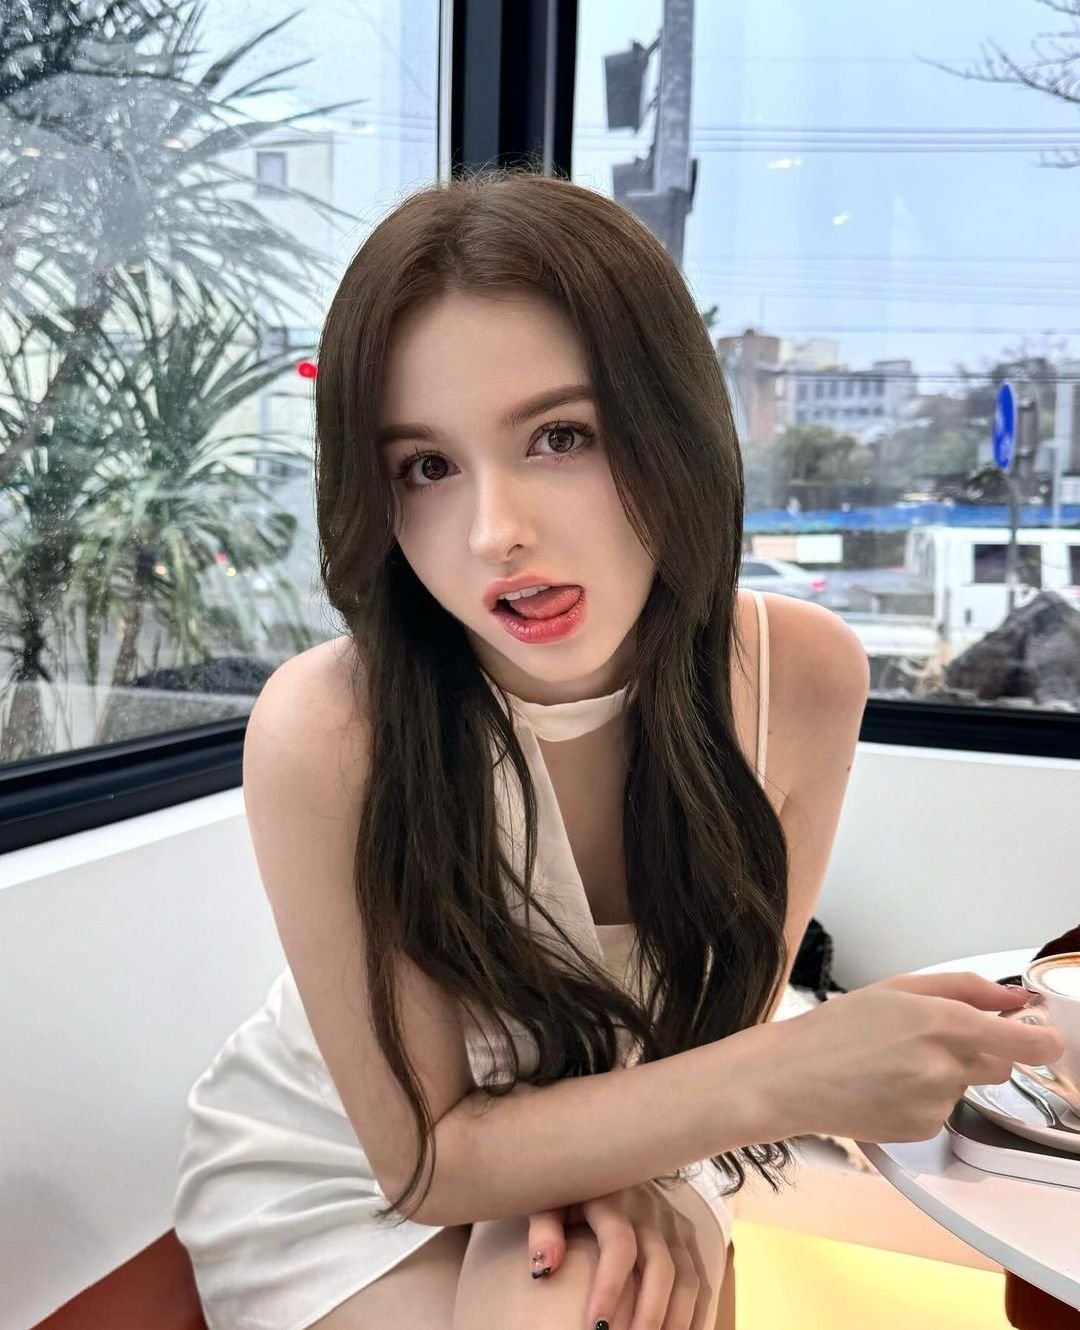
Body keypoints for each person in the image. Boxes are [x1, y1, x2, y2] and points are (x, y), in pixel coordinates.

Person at [172, 167, 1064, 1330]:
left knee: (590, 1292)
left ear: (667, 423)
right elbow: (429, 1158)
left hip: (656, 1120)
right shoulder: (334, 725)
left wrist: (657, 1166)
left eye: (561, 435)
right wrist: (798, 1071)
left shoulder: (797, 676)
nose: (494, 532)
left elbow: (718, 1023)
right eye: (426, 466)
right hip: (355, 1169)